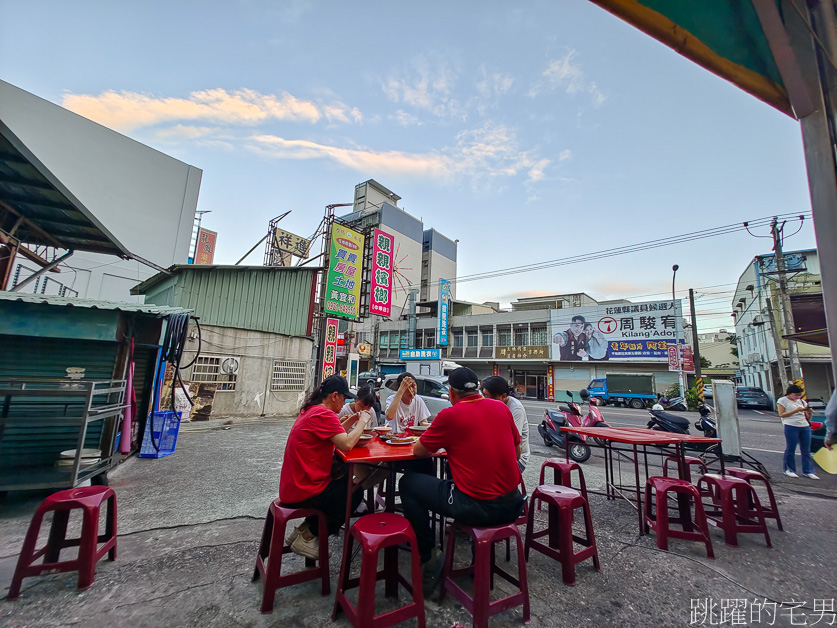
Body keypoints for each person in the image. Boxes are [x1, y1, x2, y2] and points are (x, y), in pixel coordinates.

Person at [399, 367, 524, 592]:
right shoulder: (500, 407)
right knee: (460, 475)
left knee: (408, 483)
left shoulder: (450, 415)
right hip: (514, 505)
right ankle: (480, 561)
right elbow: (516, 454)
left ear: (452, 393)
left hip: (477, 508)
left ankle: (428, 554)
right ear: (478, 388)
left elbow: (418, 451)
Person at [279, 375, 372, 559]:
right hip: (303, 489)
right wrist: (362, 421)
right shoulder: (324, 414)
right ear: (334, 396)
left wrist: (352, 420)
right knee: (354, 494)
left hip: (292, 486)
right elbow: (345, 444)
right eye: (344, 398)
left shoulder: (311, 410)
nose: (345, 402)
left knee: (344, 479)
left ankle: (304, 530)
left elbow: (331, 433)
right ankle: (308, 536)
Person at [481, 375, 530, 471]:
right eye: (483, 396)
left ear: (503, 396)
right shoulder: (490, 406)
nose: (484, 399)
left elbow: (514, 443)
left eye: (487, 396)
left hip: (516, 459)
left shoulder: (516, 409)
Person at [776, 384, 818, 480]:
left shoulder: (802, 402)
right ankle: (789, 469)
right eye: (795, 395)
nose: (797, 397)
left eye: (799, 395)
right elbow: (782, 414)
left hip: (804, 426)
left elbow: (807, 417)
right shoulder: (782, 401)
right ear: (789, 393)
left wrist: (809, 411)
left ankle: (808, 471)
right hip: (791, 425)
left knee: (806, 450)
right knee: (791, 448)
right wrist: (796, 410)